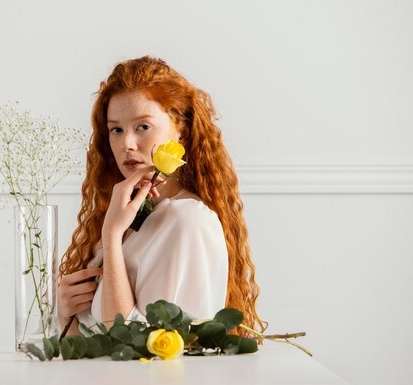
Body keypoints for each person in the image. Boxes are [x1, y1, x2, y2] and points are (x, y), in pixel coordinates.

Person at [58, 56, 266, 336]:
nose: (127, 144)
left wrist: (111, 235)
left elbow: (139, 350)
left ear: (180, 131)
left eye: (143, 127)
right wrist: (65, 315)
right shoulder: (129, 217)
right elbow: (87, 347)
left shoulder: (187, 221)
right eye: (116, 130)